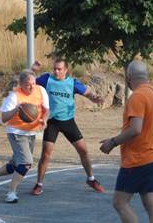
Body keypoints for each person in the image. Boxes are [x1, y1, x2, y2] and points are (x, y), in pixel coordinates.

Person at [100, 60, 153, 223]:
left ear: (128, 77)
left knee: (120, 203)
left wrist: (112, 142)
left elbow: (135, 129)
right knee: (152, 204)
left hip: (137, 161)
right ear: (146, 76)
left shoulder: (137, 97)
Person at [31, 58, 105, 195]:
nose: (56, 71)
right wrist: (33, 70)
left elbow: (87, 93)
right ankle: (38, 184)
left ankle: (91, 179)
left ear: (65, 70)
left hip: (68, 121)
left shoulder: (72, 83)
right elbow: (28, 81)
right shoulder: (46, 79)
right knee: (46, 154)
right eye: (54, 68)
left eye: (59, 69)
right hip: (52, 122)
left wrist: (94, 98)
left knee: (83, 151)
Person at [0, 70, 49, 203]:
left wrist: (44, 120)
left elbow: (46, 109)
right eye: (28, 84)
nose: (31, 87)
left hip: (31, 133)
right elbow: (4, 118)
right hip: (16, 133)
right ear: (21, 84)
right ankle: (11, 192)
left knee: (14, 165)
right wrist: (16, 110)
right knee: (26, 164)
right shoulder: (14, 96)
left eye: (33, 83)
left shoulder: (40, 90)